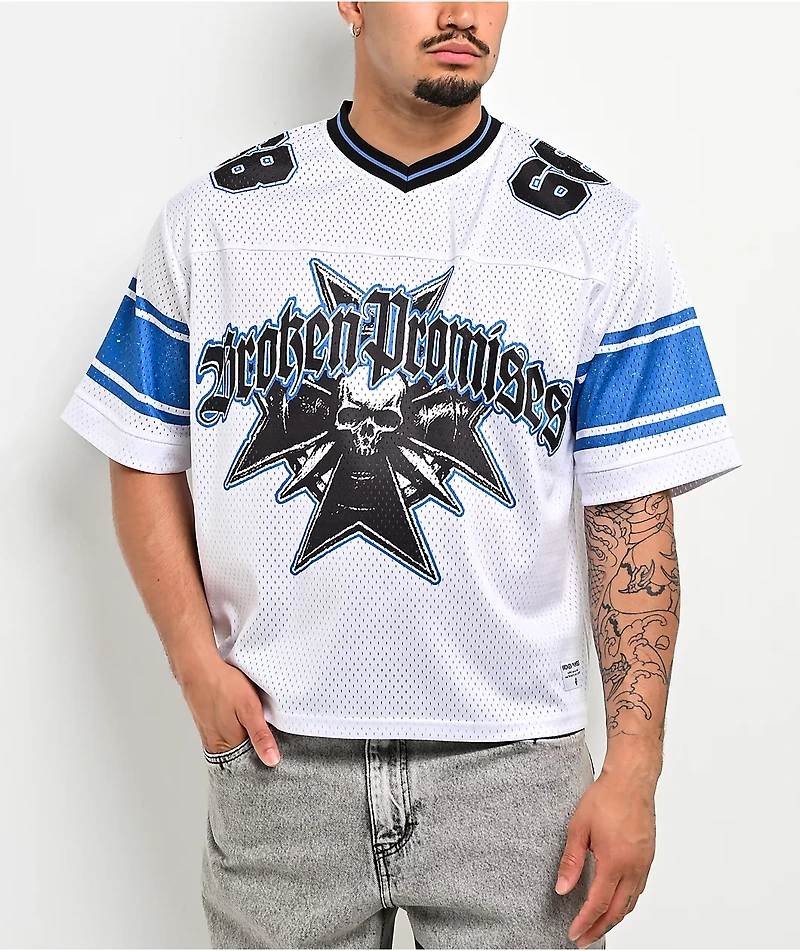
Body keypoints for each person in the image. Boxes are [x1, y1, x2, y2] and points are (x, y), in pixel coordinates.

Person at [61, 2, 741, 948]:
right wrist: (194, 665)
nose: (461, 14)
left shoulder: (595, 230)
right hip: (281, 759)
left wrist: (634, 765)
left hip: (515, 767)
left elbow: (634, 510)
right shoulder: (218, 219)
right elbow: (139, 446)